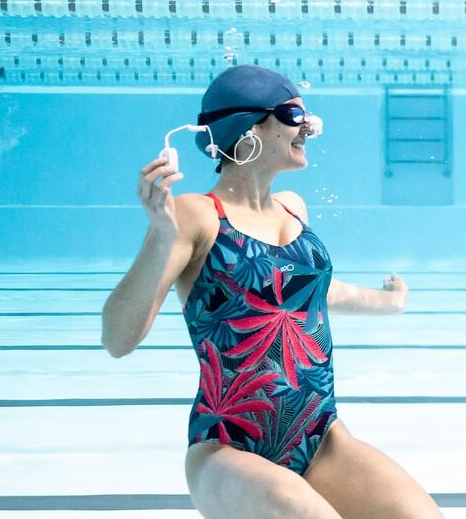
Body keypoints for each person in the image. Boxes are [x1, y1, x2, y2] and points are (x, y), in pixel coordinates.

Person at [101, 65, 441, 519]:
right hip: (229, 450)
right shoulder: (195, 216)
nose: (307, 127)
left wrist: (389, 302)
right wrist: (161, 236)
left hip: (321, 439)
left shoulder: (292, 208)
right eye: (293, 114)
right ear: (249, 127)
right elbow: (118, 339)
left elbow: (304, 295)